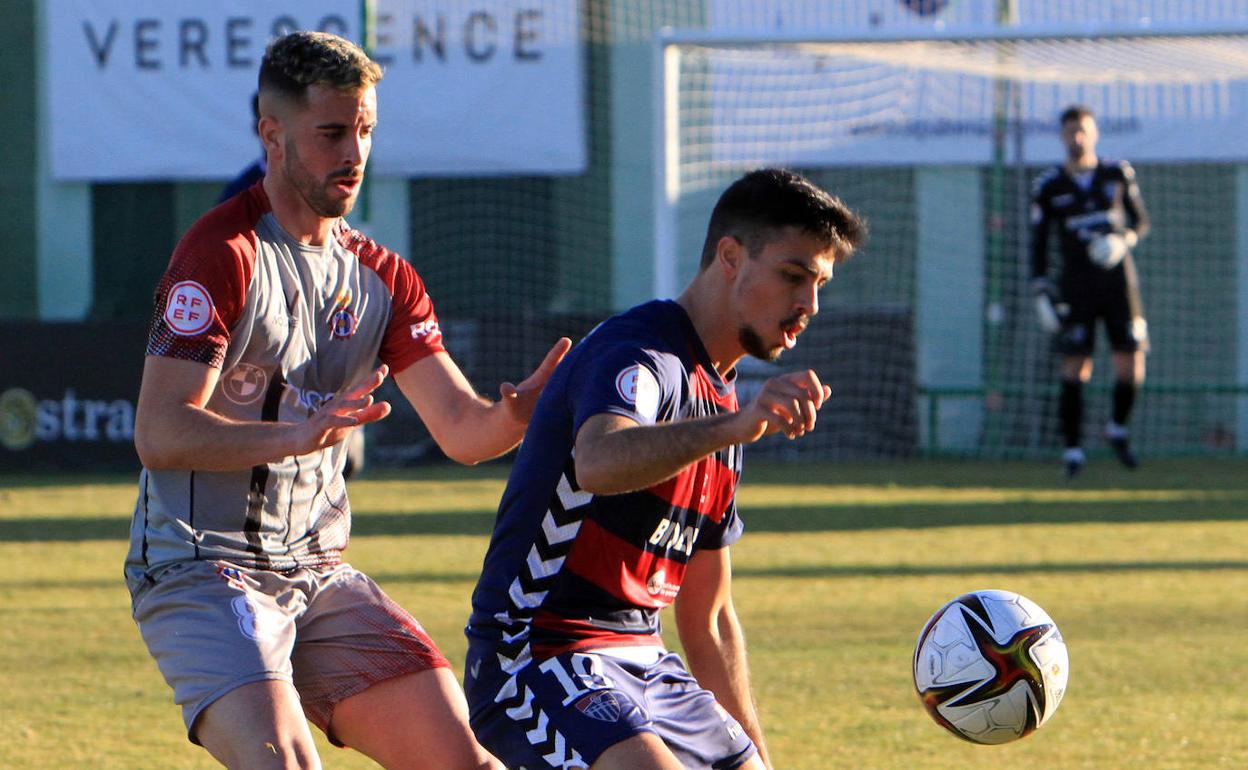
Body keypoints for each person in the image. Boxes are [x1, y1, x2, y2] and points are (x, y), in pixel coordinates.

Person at [125, 31, 570, 770]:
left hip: (320, 576)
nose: (355, 152)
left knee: (469, 762)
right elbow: (160, 433)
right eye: (331, 132)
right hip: (202, 568)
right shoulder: (222, 252)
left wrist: (519, 416)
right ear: (272, 134)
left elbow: (462, 432)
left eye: (364, 130)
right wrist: (294, 437)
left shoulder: (384, 278)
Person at [463, 168, 867, 770]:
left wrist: (758, 754)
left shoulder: (726, 404)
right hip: (539, 653)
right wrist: (734, 427)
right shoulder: (640, 353)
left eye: (819, 285)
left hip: (646, 664)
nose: (809, 304)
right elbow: (598, 460)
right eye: (792, 276)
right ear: (730, 257)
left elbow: (708, 617)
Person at [1029, 104, 1151, 479]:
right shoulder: (1049, 186)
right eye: (1070, 131)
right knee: (1075, 368)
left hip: (1119, 284)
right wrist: (1041, 290)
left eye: (1082, 130)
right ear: (1062, 136)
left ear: (1094, 132)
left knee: (1132, 365)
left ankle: (1116, 427)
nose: (1077, 137)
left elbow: (1142, 220)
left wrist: (1124, 239)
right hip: (1076, 287)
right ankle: (1074, 451)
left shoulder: (1117, 173)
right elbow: (1038, 243)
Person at [217, 92, 267, 204]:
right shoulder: (237, 193)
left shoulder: (310, 183)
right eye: (267, 127)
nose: (275, 135)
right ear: (256, 129)